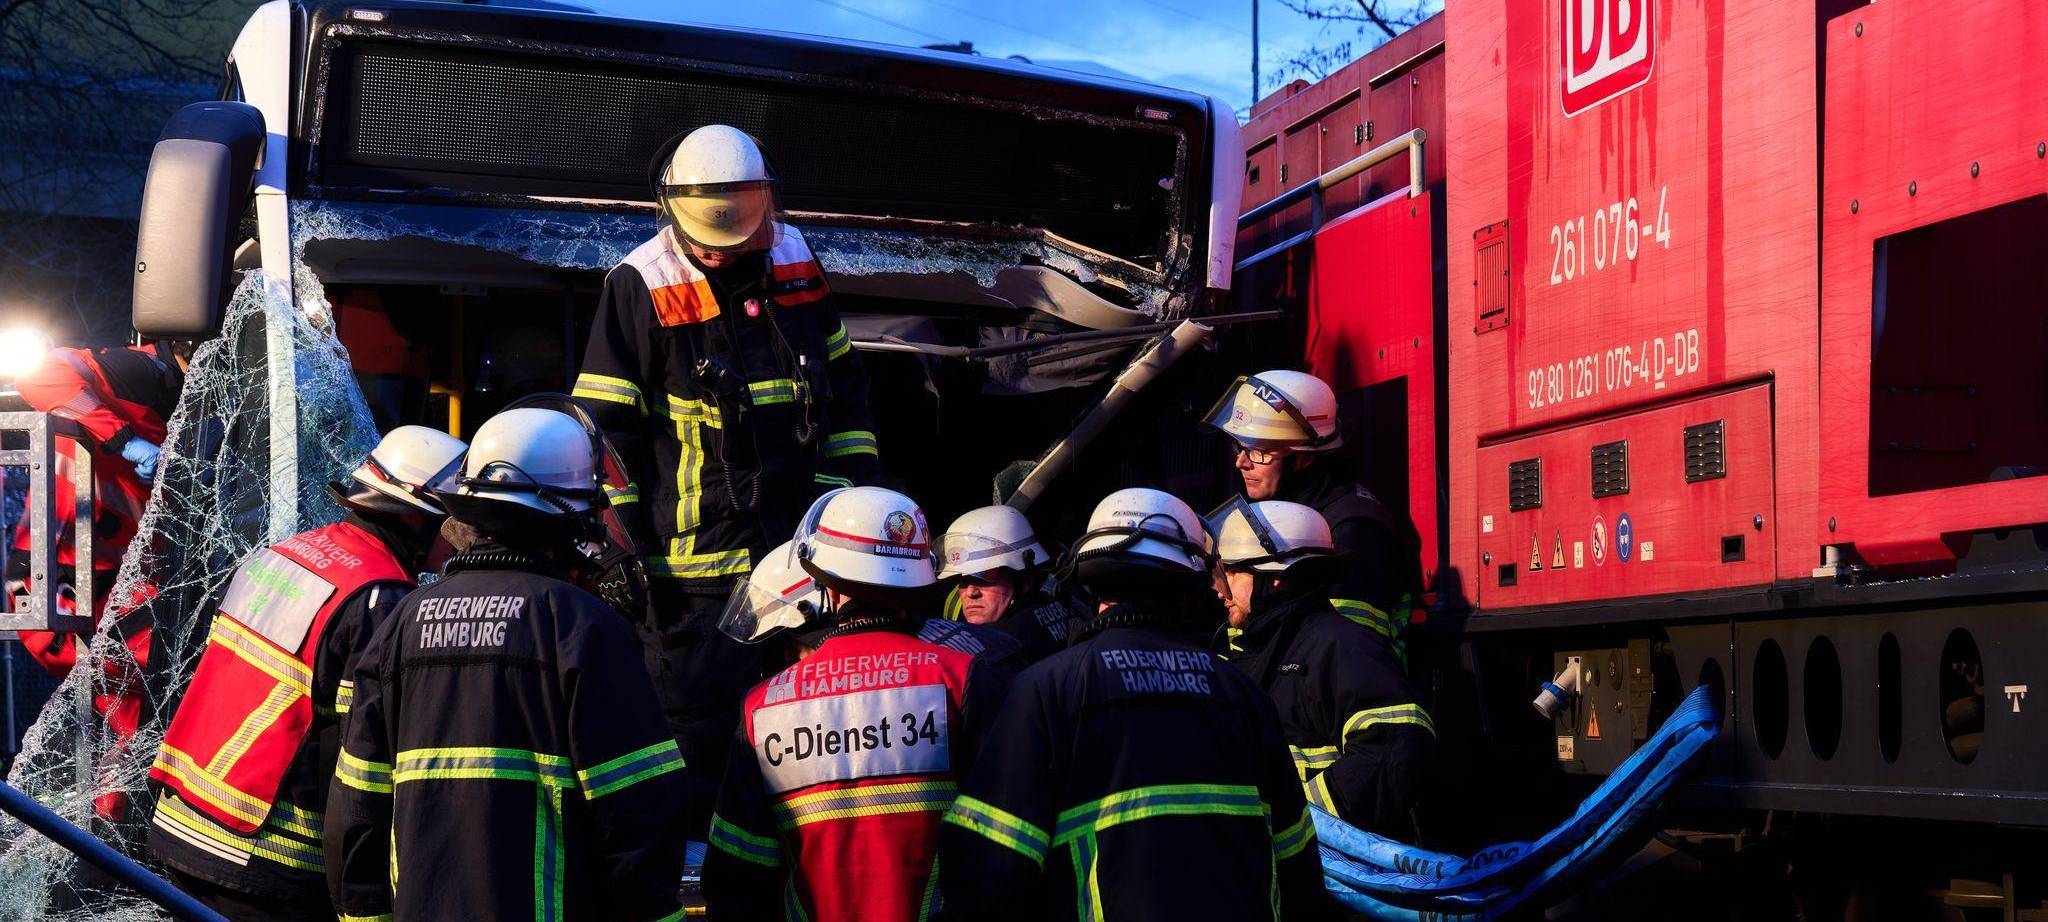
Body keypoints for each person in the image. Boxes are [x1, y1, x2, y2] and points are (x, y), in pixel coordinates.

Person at [573, 123, 882, 831]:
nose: (724, 253)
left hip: (801, 563)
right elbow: (604, 436)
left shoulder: (797, 263)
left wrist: (845, 506)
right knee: (702, 751)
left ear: (767, 205)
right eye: (710, 242)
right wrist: (620, 550)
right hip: (689, 581)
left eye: (738, 238)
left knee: (807, 734)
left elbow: (846, 397)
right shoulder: (641, 283)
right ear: (673, 211)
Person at [327, 408, 687, 921]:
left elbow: (357, 810)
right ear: (571, 519)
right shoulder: (585, 630)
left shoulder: (400, 625)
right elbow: (640, 818)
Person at [939, 488, 1330, 922]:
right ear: (1191, 585)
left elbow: (987, 866)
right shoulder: (1243, 694)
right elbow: (1296, 861)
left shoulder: (1047, 689)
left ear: (1090, 578)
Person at [144, 425, 466, 921]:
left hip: (184, 816)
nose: (462, 538)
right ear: (415, 516)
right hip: (266, 852)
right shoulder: (379, 598)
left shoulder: (286, 553)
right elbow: (359, 755)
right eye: (455, 520)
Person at [703, 487, 1006, 922]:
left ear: (825, 586)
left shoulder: (761, 708)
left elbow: (738, 875)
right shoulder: (963, 679)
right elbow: (1004, 851)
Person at [1213, 499, 1433, 833]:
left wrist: (1297, 819)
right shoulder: (1254, 651)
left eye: (1232, 571)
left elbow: (1396, 744)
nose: (1220, 588)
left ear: (1274, 577)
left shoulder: (1339, 646)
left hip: (1330, 860)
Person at [1205, 369, 1423, 653]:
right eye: (1239, 447)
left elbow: (1344, 652)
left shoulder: (1352, 530)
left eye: (1260, 451)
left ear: (1304, 458)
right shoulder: (1282, 512)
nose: (1241, 462)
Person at [935, 504, 1079, 663]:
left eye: (985, 577)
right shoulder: (1067, 607)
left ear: (1025, 582)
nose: (970, 593)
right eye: (962, 580)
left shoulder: (1003, 645)